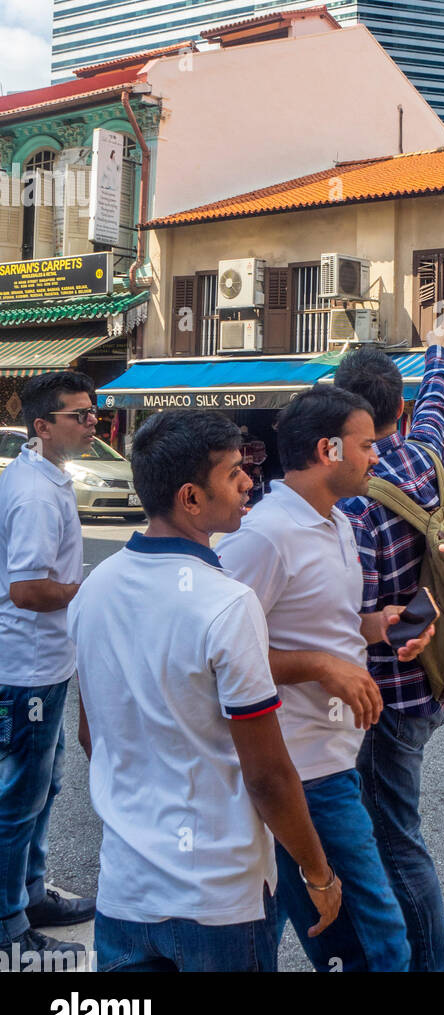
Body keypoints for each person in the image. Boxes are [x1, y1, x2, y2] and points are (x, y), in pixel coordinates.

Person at [68, 411, 342, 972]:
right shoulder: (227, 604)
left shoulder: (94, 590)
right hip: (218, 901)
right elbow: (267, 776)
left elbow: (91, 733)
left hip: (125, 892)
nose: (249, 482)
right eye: (234, 472)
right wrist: (318, 872)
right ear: (191, 498)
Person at [218, 386, 433, 973]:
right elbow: (218, 654)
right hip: (300, 767)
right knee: (379, 938)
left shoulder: (336, 523)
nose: (378, 457)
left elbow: (330, 626)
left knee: (303, 927)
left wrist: (381, 626)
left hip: (337, 753)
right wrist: (320, 666)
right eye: (367, 445)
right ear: (327, 448)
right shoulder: (262, 537)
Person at [333, 326, 444, 972]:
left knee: (394, 841)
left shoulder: (357, 497)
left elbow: (359, 619)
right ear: (397, 411)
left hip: (385, 697)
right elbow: (436, 401)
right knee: (394, 833)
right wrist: (439, 349)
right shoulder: (427, 454)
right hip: (433, 679)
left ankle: (429, 964)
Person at [0, 371, 97, 971]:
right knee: (19, 796)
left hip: (46, 664)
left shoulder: (44, 477)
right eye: (80, 415)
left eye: (92, 412)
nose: (92, 422)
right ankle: (9, 922)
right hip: (26, 667)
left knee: (44, 787)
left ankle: (31, 896)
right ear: (43, 426)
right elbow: (29, 588)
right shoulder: (35, 493)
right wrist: (88, 592)